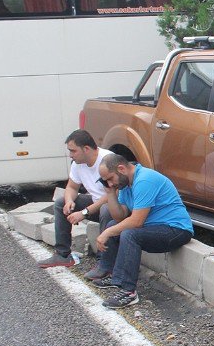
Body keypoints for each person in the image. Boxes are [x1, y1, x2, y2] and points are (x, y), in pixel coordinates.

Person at [94, 153, 193, 309]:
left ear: (121, 169)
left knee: (128, 233)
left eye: (110, 179)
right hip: (154, 228)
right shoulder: (125, 185)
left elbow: (136, 221)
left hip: (176, 230)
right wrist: (110, 193)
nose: (110, 183)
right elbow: (119, 216)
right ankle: (113, 275)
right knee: (113, 224)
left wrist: (107, 233)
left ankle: (128, 291)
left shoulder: (145, 180)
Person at [37, 129, 111, 271]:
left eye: (73, 151)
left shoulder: (107, 160)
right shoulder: (78, 163)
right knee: (61, 203)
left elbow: (112, 195)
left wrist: (83, 213)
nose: (70, 155)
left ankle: (104, 263)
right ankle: (63, 255)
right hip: (96, 204)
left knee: (105, 210)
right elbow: (71, 186)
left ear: (86, 149)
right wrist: (70, 200)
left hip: (115, 207)